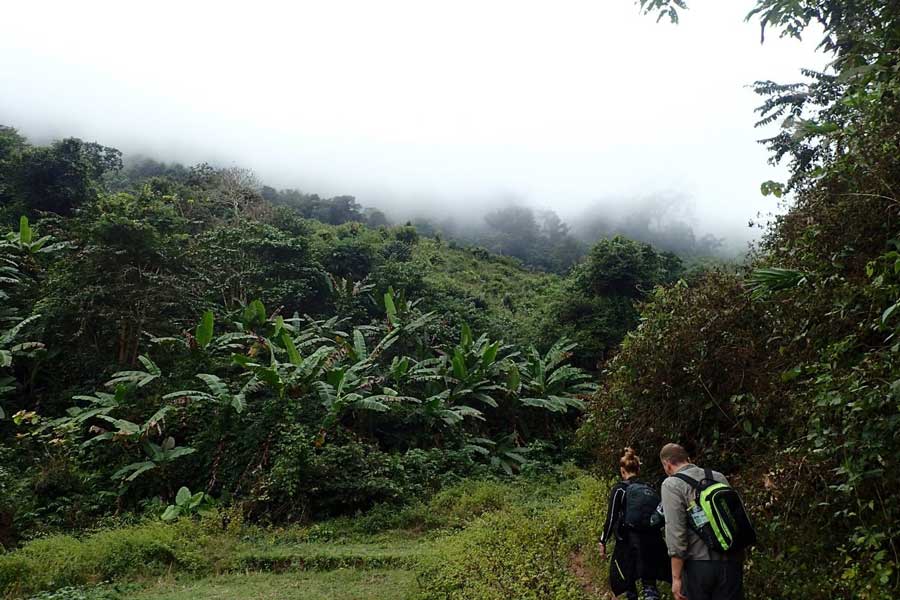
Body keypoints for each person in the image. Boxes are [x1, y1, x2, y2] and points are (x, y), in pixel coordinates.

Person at [659, 443, 744, 600]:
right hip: (732, 561)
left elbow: (676, 533)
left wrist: (676, 577)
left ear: (667, 465)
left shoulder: (672, 485)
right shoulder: (717, 477)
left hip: (698, 566)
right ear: (688, 459)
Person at [599, 447, 670, 600]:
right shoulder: (648, 488)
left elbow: (611, 518)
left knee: (628, 577)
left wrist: (602, 540)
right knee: (649, 582)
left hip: (627, 540)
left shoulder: (620, 489)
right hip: (651, 539)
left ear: (622, 471)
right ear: (638, 470)